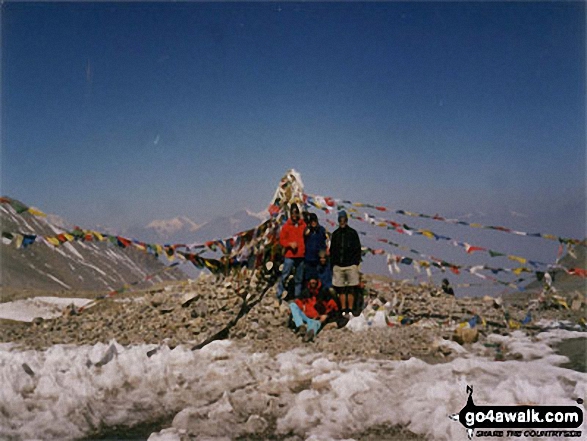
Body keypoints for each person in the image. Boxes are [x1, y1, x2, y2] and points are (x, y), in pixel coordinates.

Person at [329, 210, 362, 317]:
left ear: (347, 220)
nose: (342, 222)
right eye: (340, 220)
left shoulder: (353, 233)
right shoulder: (335, 234)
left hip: (350, 265)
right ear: (338, 221)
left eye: (344, 220)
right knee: (342, 289)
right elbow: (332, 250)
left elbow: (358, 249)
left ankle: (351, 309)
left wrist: (355, 263)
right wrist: (333, 264)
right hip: (338, 265)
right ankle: (343, 310)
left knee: (351, 288)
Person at [289, 277, 339, 342]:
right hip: (306, 316)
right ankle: (301, 326)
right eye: (311, 280)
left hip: (316, 318)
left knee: (315, 324)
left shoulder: (324, 293)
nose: (312, 282)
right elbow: (298, 302)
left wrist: (326, 316)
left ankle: (309, 334)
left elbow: (333, 307)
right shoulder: (306, 292)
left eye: (314, 281)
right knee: (292, 305)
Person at [277, 204, 306, 300]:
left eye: (296, 213)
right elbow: (281, 240)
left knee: (299, 277)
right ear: (290, 214)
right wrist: (289, 244)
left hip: (301, 255)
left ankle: (297, 296)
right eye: (293, 213)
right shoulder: (286, 226)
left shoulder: (303, 225)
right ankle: (279, 294)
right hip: (290, 255)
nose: (294, 215)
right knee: (285, 275)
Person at [303, 212, 328, 281]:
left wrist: (323, 255)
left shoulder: (321, 230)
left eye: (314, 221)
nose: (313, 223)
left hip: (318, 258)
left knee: (318, 277)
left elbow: (324, 242)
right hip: (308, 258)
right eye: (312, 221)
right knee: (308, 278)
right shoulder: (307, 230)